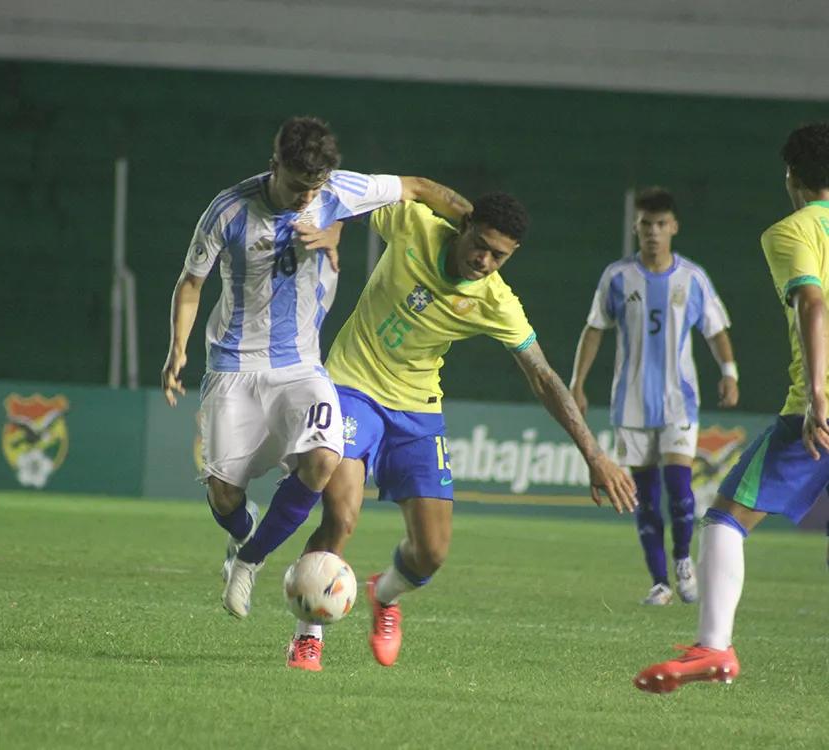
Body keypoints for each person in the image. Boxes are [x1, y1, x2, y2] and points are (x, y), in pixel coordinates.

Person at [283, 191, 639, 671]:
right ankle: (309, 635)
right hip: (351, 386)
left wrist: (594, 454)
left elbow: (544, 377)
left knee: (431, 552)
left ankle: (383, 595)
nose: (485, 261)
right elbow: (351, 195)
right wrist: (333, 227)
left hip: (417, 409)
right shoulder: (414, 225)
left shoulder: (495, 300)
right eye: (482, 246)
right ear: (465, 225)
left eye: (500, 257)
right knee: (342, 516)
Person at [162, 115, 472, 619]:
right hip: (233, 365)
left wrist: (476, 224)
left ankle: (250, 559)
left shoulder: (337, 191)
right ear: (274, 166)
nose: (309, 197)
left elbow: (416, 188)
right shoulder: (229, 210)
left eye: (317, 186)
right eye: (298, 185)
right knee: (224, 496)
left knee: (324, 460)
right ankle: (245, 530)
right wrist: (178, 349)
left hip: (302, 367)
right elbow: (191, 283)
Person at [634, 122, 829, 692]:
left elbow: (812, 301)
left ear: (791, 176)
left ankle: (714, 650)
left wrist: (818, 395)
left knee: (725, 517)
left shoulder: (792, 232)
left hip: (816, 414)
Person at [569, 188, 739, 606]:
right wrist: (576, 382)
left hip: (680, 401)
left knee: (680, 488)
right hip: (629, 403)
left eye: (661, 224)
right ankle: (659, 582)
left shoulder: (693, 278)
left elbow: (715, 330)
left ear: (674, 227)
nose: (653, 232)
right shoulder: (616, 277)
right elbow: (594, 329)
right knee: (644, 498)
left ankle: (683, 562)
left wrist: (729, 372)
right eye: (646, 224)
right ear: (636, 227)